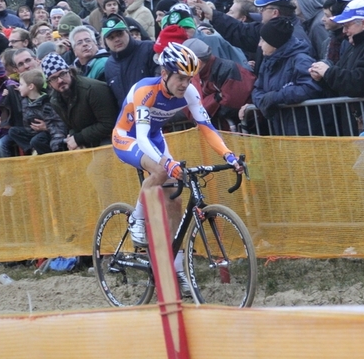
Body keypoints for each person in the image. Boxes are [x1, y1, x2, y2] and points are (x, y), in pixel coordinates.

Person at [111, 42, 244, 295]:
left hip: (155, 137)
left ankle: (177, 268)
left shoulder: (190, 93)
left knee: (175, 198)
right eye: (181, 77)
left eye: (190, 78)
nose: (186, 83)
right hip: (127, 138)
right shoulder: (145, 91)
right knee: (161, 171)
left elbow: (205, 126)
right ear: (165, 74)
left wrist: (228, 155)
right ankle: (136, 221)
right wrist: (166, 162)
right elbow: (140, 138)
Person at [251, 17, 332, 136]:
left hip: (304, 128)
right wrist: (263, 101)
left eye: (263, 40)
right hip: (280, 126)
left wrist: (276, 97)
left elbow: (309, 87)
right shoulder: (268, 61)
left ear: (274, 43)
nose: (259, 44)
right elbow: (257, 89)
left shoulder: (301, 60)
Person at [310, 0, 364, 135]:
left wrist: (328, 72)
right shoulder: (353, 45)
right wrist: (321, 78)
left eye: (347, 25)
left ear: (363, 24)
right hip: (354, 121)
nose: (344, 30)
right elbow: (340, 84)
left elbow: (360, 82)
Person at [41, 53, 118, 149]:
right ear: (49, 84)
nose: (60, 80)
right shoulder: (55, 100)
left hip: (111, 138)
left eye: (62, 74)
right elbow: (72, 126)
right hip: (87, 140)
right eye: (53, 78)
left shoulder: (93, 89)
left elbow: (109, 124)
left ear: (70, 72)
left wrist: (78, 138)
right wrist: (73, 138)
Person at [183, 38, 255, 130]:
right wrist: (216, 97)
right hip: (229, 130)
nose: (184, 66)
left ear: (199, 62)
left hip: (247, 127)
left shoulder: (227, 70)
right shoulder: (194, 77)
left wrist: (209, 106)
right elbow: (193, 111)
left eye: (186, 62)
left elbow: (230, 106)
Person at [103, 15, 159, 108]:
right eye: (111, 38)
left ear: (128, 32)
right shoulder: (109, 65)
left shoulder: (148, 48)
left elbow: (161, 80)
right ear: (106, 42)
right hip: (128, 118)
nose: (117, 39)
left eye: (119, 34)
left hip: (155, 111)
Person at [8, 69, 68, 155]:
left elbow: (56, 124)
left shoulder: (46, 103)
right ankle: (32, 150)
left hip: (46, 133)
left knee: (36, 140)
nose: (19, 87)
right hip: (31, 132)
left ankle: (45, 154)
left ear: (30, 87)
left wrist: (47, 127)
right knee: (13, 131)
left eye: (21, 84)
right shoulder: (25, 100)